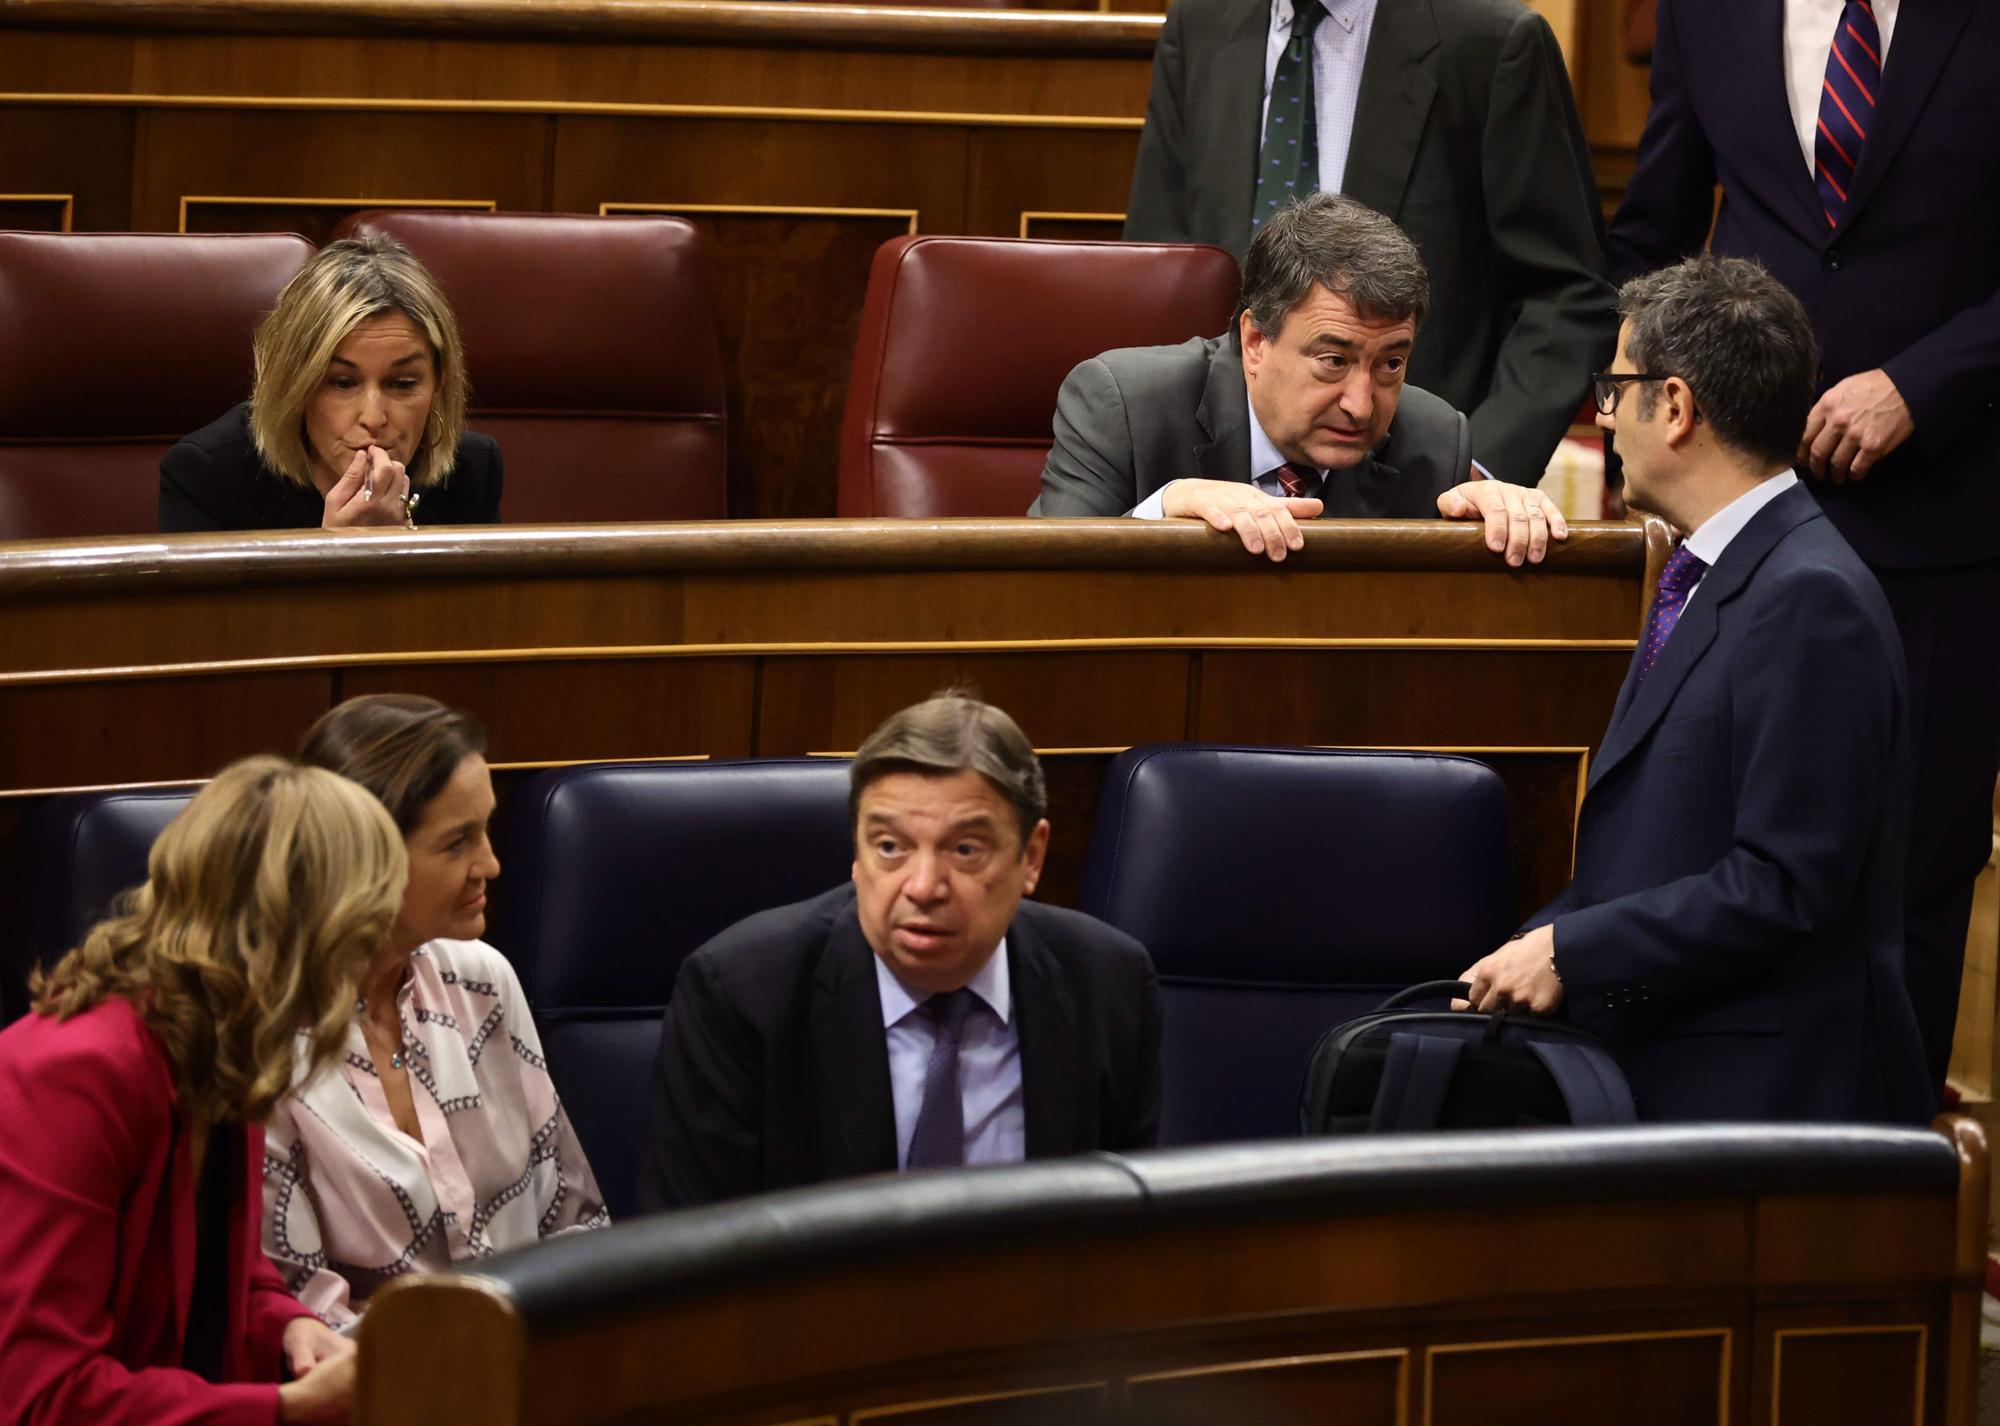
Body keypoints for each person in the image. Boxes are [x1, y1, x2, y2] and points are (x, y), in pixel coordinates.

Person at [1606, 0, 2000, 1095]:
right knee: (1713, 854)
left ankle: (1879, 1210)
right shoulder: (1704, 13)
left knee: (1912, 881)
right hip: (1738, 516)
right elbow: (1654, 229)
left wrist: (1922, 387)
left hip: (1942, 517)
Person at [1457, 255, 1931, 1125]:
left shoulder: (1809, 598)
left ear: (1674, 407)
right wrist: (1531, 946)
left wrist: (1570, 949)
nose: (1602, 412)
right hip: (1678, 1063)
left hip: (1768, 1103)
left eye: (1615, 385)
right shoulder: (1712, 570)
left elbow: (1788, 885)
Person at [0, 756, 406, 1425]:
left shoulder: (214, 1036)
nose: (376, 955)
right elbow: (39, 1397)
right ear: (296, 933)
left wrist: (288, 1328)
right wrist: (283, 1409)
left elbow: (223, 1281)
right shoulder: (76, 1075)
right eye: (365, 930)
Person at [639, 693, 1162, 1211]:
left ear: (1031, 856)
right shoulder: (741, 996)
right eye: (890, 846)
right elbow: (687, 1256)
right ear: (856, 853)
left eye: (965, 849)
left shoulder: (1107, 983)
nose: (924, 886)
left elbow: (1128, 1243)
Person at [1121, 0, 1616, 486]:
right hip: (1209, 480)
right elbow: (1159, 268)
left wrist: (1475, 469)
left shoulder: (1490, 40)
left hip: (1410, 490)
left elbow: (1566, 294)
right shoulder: (1200, 20)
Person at [269, 694, 606, 1327]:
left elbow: (575, 1220)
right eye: (458, 843)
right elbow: (292, 1314)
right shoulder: (263, 1035)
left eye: (486, 828)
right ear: (361, 858)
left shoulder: (480, 979)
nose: (492, 864)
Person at [1031, 192, 1572, 566]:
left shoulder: (1433, 439)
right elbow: (1041, 583)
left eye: (1390, 365)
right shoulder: (1123, 404)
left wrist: (1506, 531)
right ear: (1254, 343)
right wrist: (1161, 511)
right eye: (1333, 361)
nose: (1362, 407)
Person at [160, 235, 503, 533]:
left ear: (438, 382)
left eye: (402, 384)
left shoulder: (473, 471)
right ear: (296, 384)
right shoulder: (207, 475)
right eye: (342, 383)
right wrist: (331, 552)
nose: (373, 418)